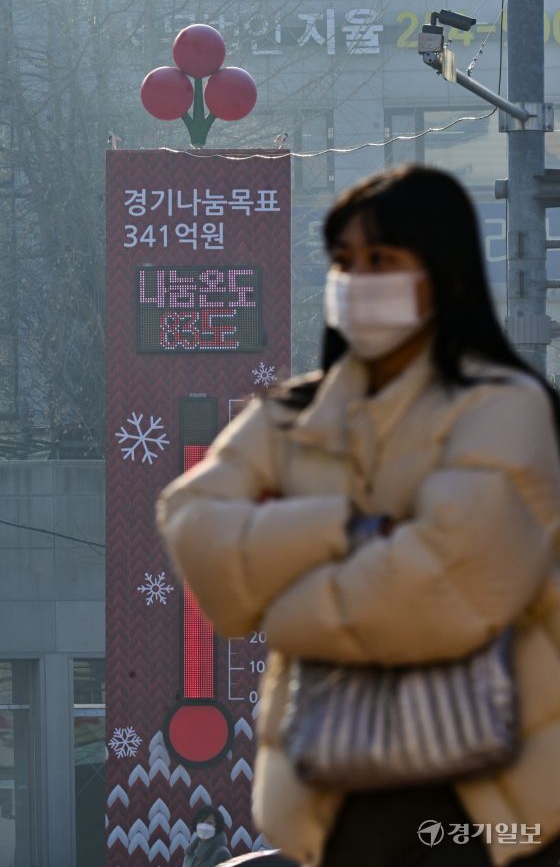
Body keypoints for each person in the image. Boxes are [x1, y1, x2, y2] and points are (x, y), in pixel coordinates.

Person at [157, 165, 560, 867]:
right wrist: (341, 525)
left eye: (382, 260)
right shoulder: (292, 413)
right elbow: (194, 521)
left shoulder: (507, 404)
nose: (358, 279)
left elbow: (456, 574)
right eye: (345, 262)